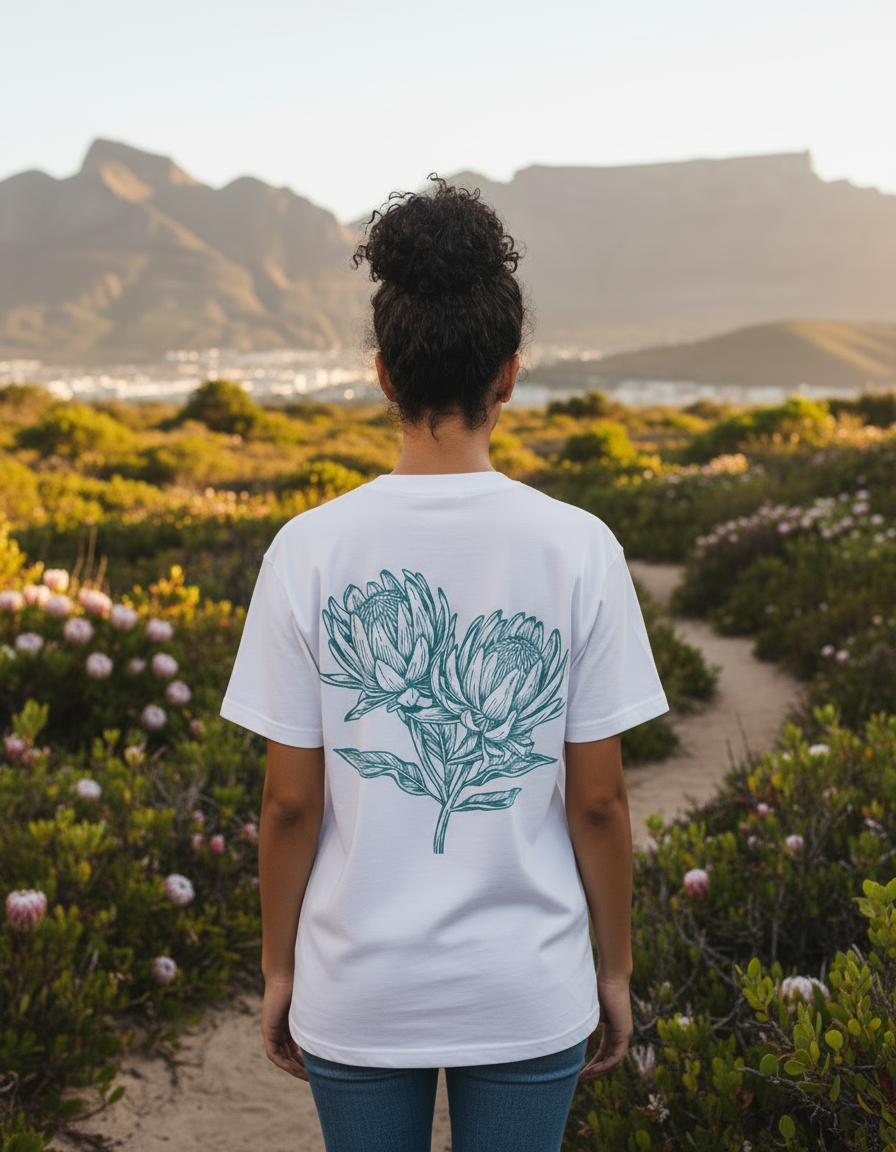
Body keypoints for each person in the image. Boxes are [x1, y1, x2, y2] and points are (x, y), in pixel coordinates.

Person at [220, 178, 668, 1152]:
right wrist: (613, 969)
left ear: (383, 374)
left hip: (358, 986)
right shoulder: (577, 546)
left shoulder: (308, 549)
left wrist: (279, 966)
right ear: (507, 375)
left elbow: (290, 804)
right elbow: (596, 802)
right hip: (526, 983)